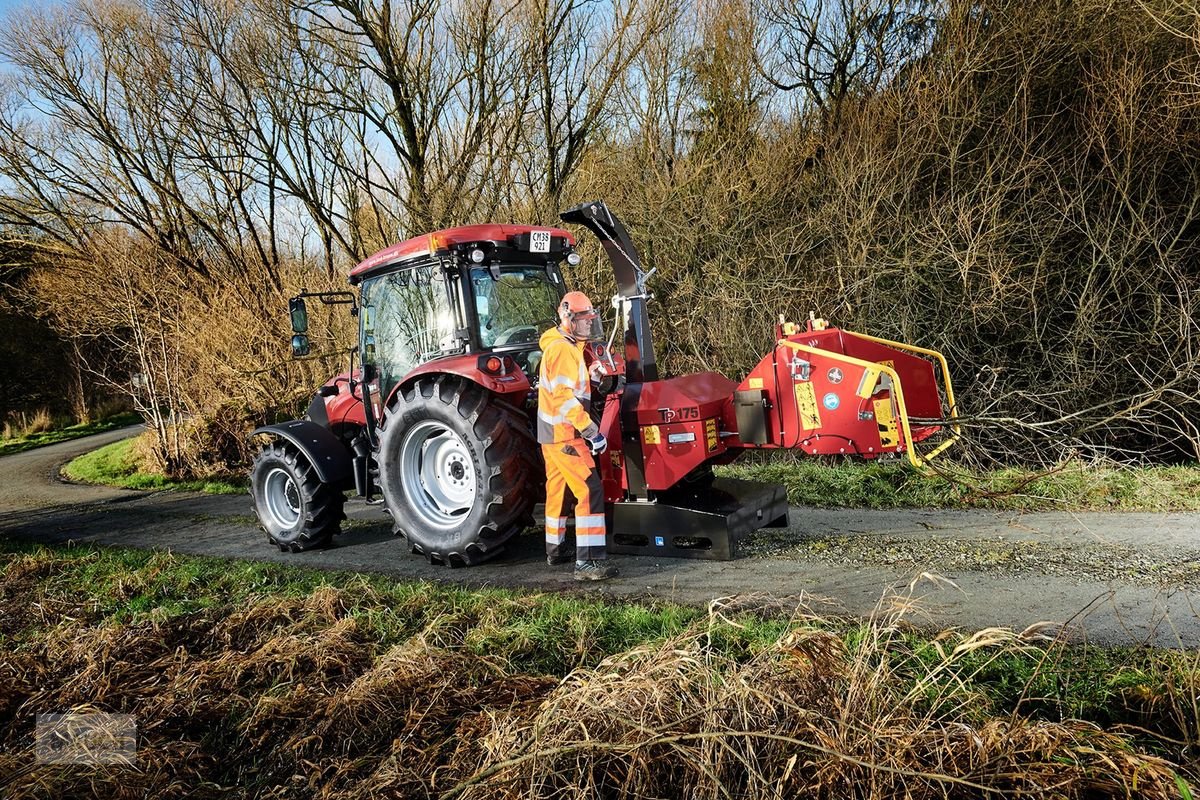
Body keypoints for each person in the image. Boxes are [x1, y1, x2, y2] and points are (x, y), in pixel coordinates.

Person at [537, 291, 618, 581]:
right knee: (589, 490)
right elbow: (564, 398)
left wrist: (592, 378)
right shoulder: (561, 350)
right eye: (584, 320)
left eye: (591, 319)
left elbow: (571, 388)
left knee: (557, 491)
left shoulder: (567, 347)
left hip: (552, 436)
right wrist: (591, 432)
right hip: (566, 435)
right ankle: (588, 562)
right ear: (568, 319)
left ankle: (555, 550)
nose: (589, 325)